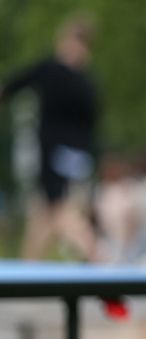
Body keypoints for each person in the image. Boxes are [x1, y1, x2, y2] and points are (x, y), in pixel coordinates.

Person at [0, 12, 100, 261]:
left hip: (54, 151)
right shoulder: (87, 82)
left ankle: (97, 254)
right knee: (43, 211)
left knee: (58, 209)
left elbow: (13, 84)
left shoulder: (51, 69)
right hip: (77, 155)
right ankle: (27, 266)